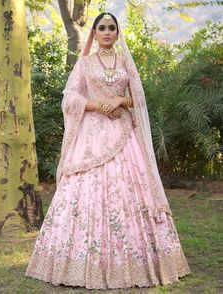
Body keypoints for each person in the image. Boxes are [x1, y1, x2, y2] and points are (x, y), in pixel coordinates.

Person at [25, 12, 191, 290]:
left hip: (124, 135)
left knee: (131, 187)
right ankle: (79, 262)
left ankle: (139, 260)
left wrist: (119, 101)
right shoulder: (85, 63)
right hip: (91, 137)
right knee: (84, 191)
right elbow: (70, 97)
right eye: (101, 27)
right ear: (94, 32)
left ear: (117, 32)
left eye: (111, 28)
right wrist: (97, 105)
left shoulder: (126, 62)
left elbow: (138, 98)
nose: (106, 32)